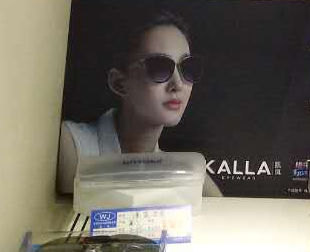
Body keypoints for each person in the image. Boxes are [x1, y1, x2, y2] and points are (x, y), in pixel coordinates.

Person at [58, 11, 221, 196]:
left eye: (187, 67)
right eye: (159, 67)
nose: (178, 84)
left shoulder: (189, 174)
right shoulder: (71, 145)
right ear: (119, 83)